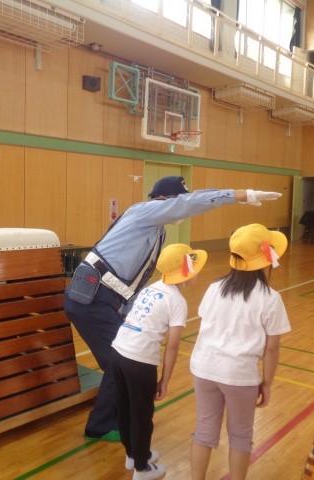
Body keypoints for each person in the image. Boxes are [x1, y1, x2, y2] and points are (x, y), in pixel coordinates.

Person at [64, 176, 282, 442]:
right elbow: (190, 203)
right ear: (164, 200)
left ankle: (117, 416)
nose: (181, 212)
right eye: (178, 201)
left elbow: (137, 278)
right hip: (90, 299)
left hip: (108, 301)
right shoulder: (143, 212)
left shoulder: (158, 230)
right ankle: (100, 426)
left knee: (122, 362)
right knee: (119, 362)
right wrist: (241, 194)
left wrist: (130, 315)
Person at [189, 223, 291, 480]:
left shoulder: (214, 288)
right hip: (240, 376)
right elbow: (272, 347)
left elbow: (208, 323)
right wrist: (267, 383)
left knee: (204, 432)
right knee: (240, 437)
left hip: (204, 368)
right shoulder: (270, 298)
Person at [111, 243, 207, 480]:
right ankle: (142, 469)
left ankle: (133, 455)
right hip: (139, 362)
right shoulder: (177, 301)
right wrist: (164, 379)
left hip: (118, 352)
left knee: (125, 408)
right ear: (185, 271)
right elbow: (172, 346)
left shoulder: (151, 288)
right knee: (142, 415)